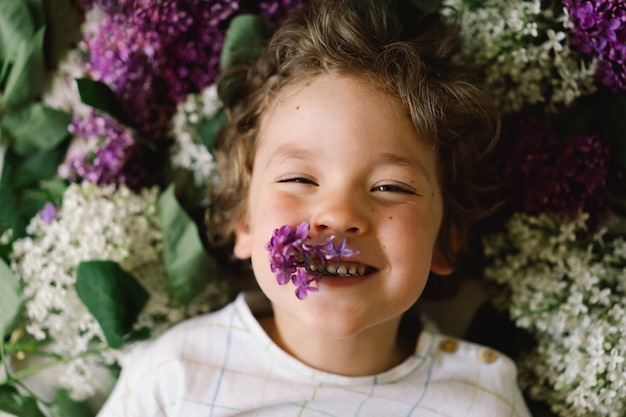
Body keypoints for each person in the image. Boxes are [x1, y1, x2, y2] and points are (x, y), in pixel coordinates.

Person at [98, 0, 532, 415]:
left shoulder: (479, 400)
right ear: (243, 221)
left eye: (390, 186)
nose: (340, 215)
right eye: (299, 179)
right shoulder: (173, 377)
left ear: (447, 238)